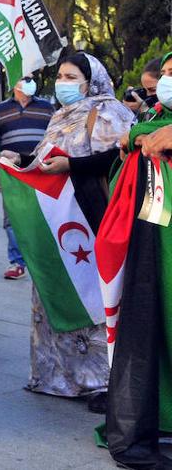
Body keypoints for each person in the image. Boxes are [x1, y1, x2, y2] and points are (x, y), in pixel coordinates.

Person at [23, 51, 132, 412]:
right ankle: (57, 376)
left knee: (93, 297)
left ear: (92, 80)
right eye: (61, 76)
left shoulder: (111, 112)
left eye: (71, 76)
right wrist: (19, 161)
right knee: (55, 292)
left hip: (89, 216)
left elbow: (120, 158)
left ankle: (102, 381)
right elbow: (45, 158)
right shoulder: (60, 115)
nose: (63, 83)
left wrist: (72, 164)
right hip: (58, 221)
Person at [103, 52, 172, 467]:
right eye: (164, 73)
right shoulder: (153, 121)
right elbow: (132, 141)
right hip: (152, 243)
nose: (166, 80)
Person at [0, 76, 55, 281]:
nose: (30, 81)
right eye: (25, 78)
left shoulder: (47, 108)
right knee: (12, 217)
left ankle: (41, 260)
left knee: (42, 215)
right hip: (10, 172)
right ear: (15, 84)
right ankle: (17, 262)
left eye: (32, 78)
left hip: (40, 170)